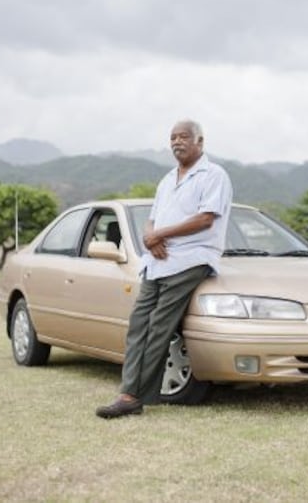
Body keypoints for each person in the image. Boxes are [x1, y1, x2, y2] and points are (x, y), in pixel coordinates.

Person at [96, 120, 233, 418]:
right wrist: (150, 236)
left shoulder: (214, 175)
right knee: (138, 324)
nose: (177, 142)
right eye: (172, 138)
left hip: (191, 259)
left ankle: (132, 396)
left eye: (183, 137)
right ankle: (129, 391)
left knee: (160, 327)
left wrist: (161, 235)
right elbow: (152, 220)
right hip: (157, 262)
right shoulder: (167, 179)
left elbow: (205, 219)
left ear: (200, 141)